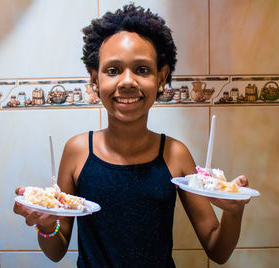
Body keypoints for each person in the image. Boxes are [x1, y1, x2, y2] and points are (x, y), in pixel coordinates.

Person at [13, 4, 250, 267]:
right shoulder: (77, 151)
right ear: (95, 79)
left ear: (162, 77)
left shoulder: (175, 154)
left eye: (142, 70)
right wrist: (46, 224)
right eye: (113, 71)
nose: (127, 82)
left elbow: (217, 249)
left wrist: (234, 212)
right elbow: (56, 250)